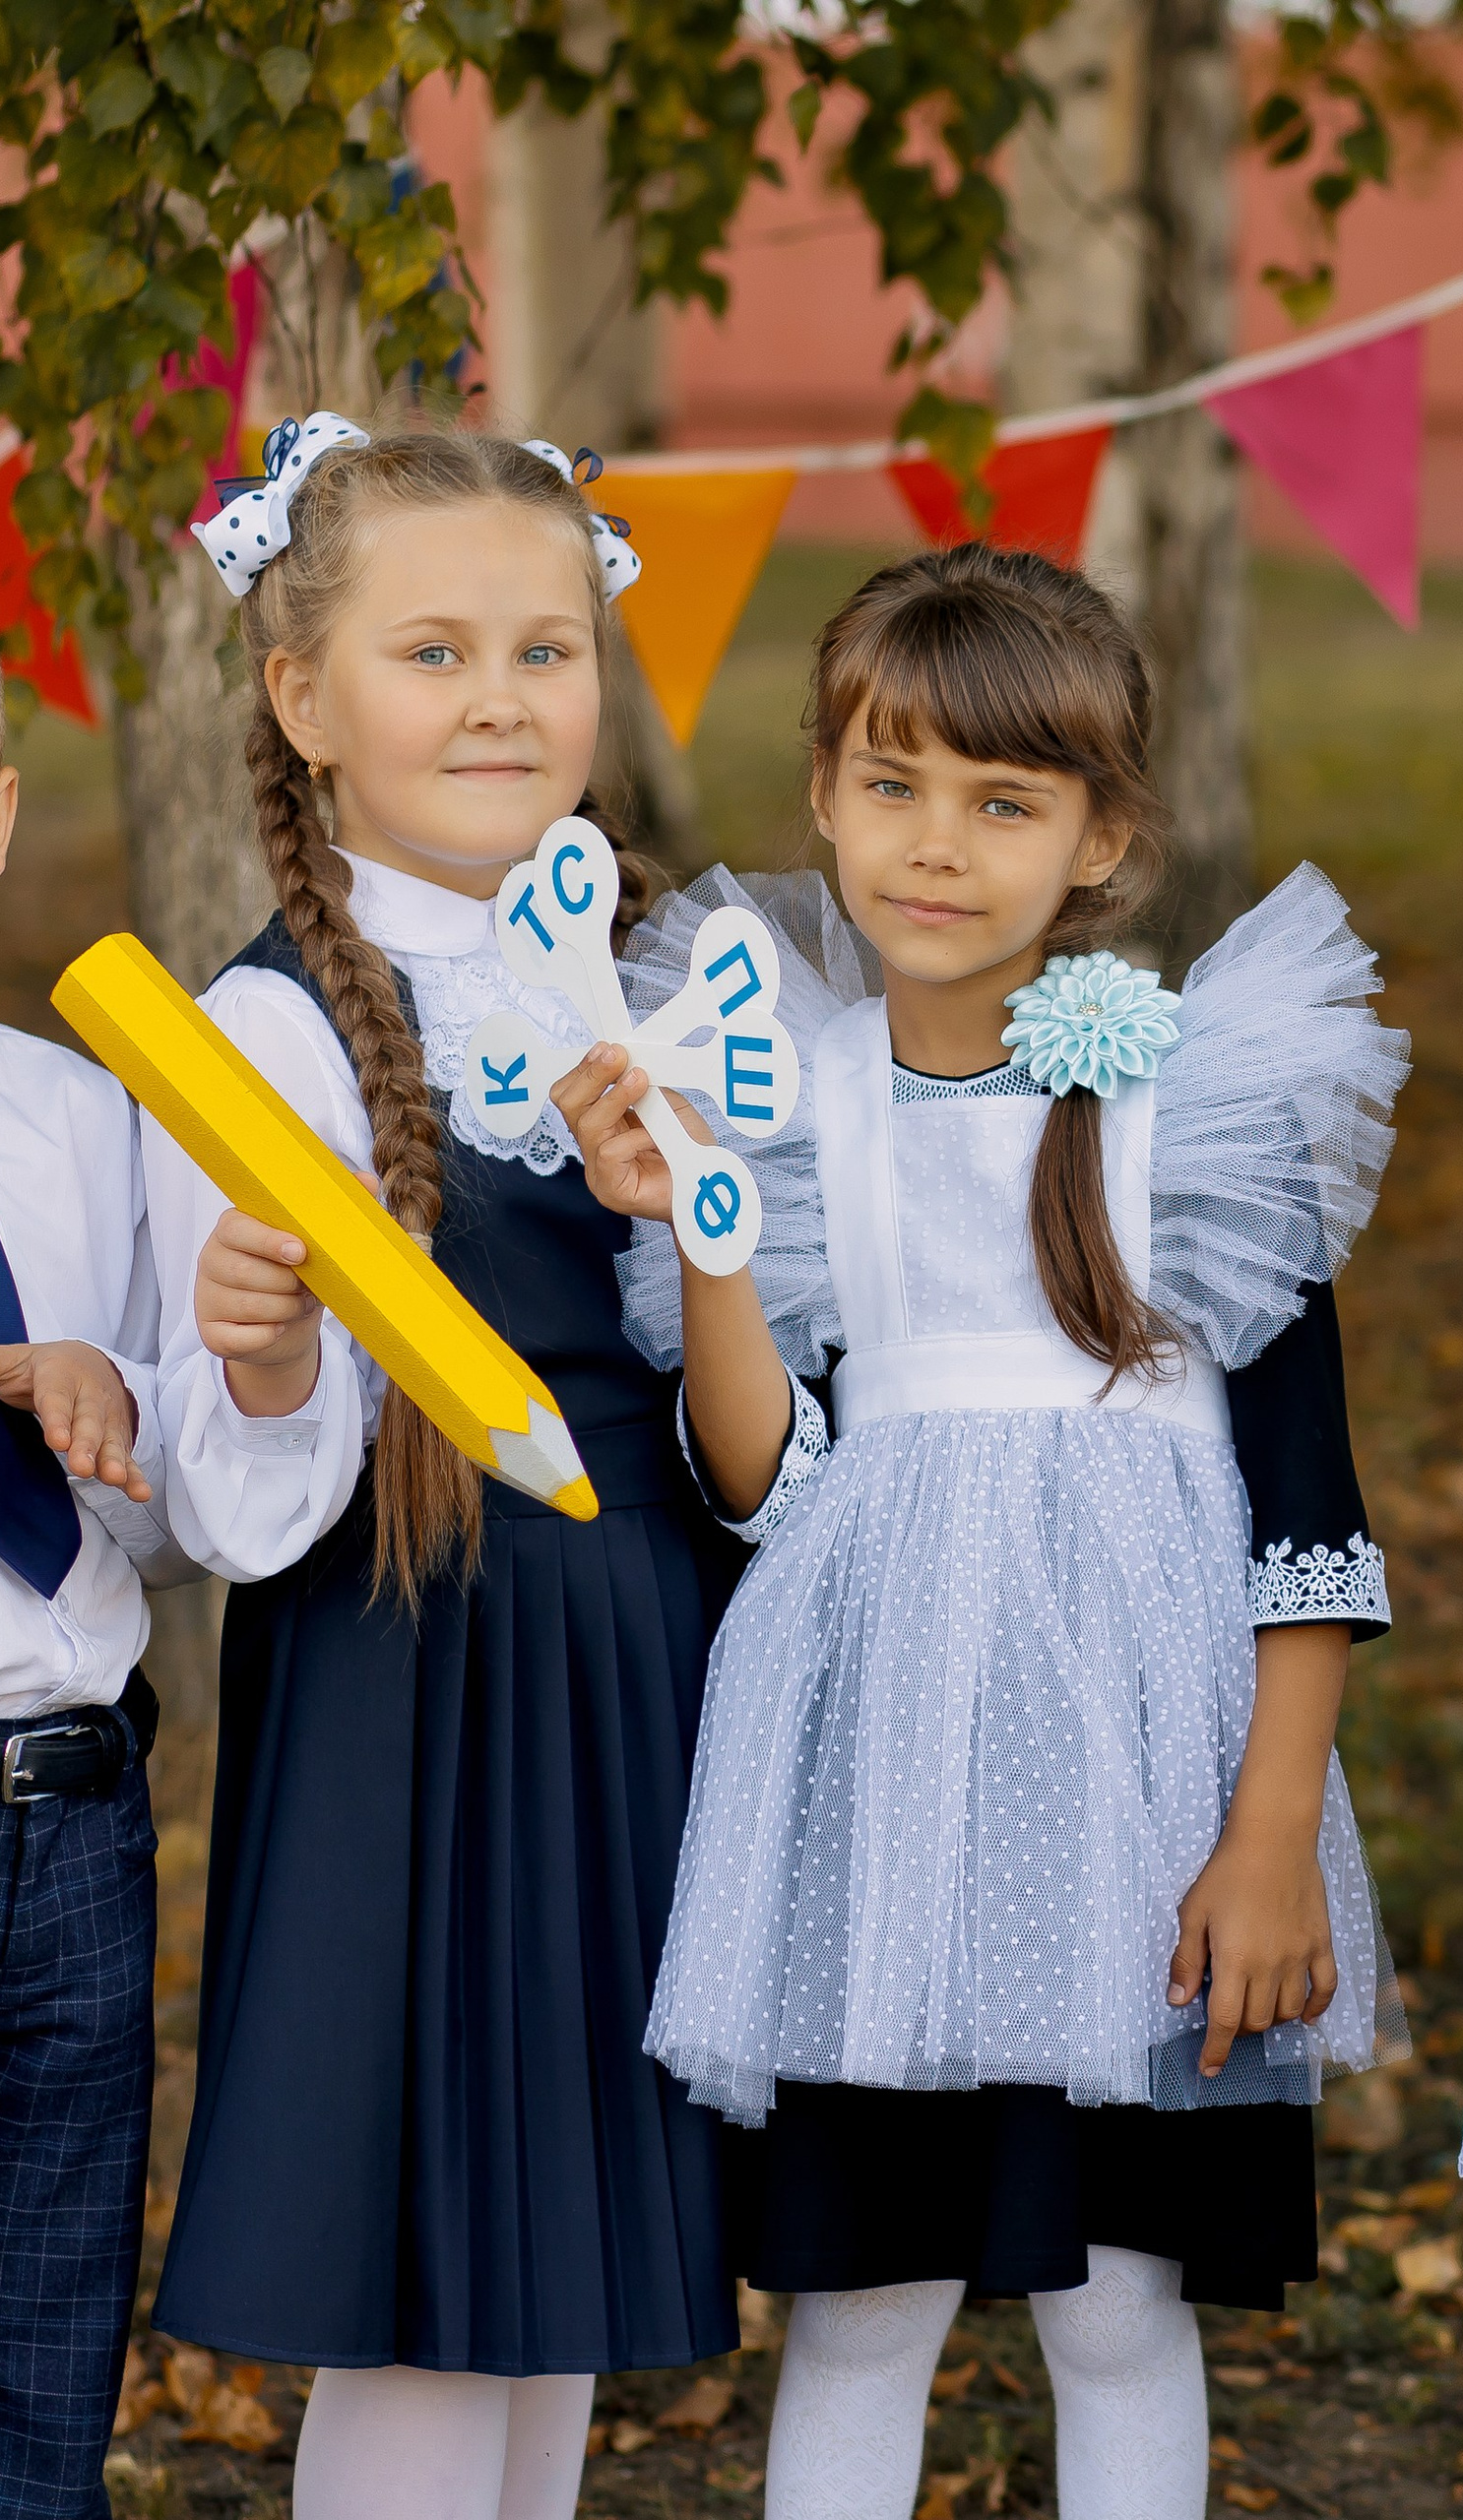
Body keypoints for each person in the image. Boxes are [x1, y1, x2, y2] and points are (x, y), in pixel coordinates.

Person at [555, 542, 1411, 2520]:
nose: (935, 846)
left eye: (1003, 801)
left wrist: (1269, 1828)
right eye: (892, 784)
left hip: (1145, 1777)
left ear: (1098, 833)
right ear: (826, 793)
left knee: (1116, 2303)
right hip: (877, 1780)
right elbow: (759, 1480)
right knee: (864, 2306)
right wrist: (703, 1230)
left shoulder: (1192, 1104)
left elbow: (1306, 1499)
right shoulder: (785, 1101)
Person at [147, 416, 742, 2520]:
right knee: (422, 2285)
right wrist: (274, 1345)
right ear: (305, 699)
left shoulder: (667, 980)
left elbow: (746, 1412)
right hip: (420, 1681)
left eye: (545, 647)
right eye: (432, 651)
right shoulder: (275, 1029)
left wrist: (699, 1224)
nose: (501, 695)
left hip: (634, 1659)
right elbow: (231, 1506)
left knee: (554, 2266)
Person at [0, 720, 188, 2520]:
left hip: (66, 1801)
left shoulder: (74, 1120)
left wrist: (131, 1385)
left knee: (55, 2313)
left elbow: (171, 1459)